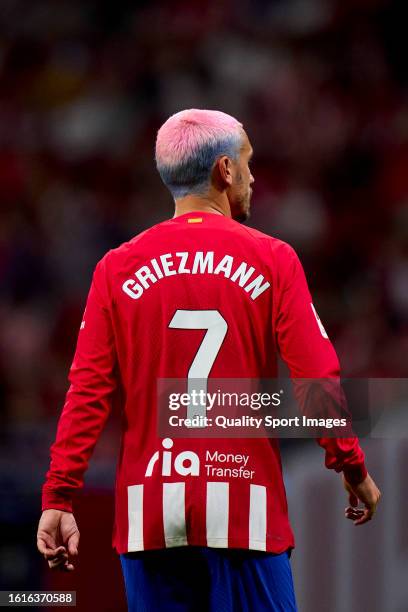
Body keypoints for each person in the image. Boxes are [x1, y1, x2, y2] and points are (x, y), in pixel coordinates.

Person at [37, 109, 381, 611]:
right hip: (245, 509)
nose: (252, 175)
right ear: (224, 170)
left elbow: (87, 391)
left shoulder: (116, 268)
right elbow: (314, 377)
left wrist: (58, 496)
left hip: (150, 515)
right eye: (247, 162)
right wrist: (351, 465)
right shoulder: (273, 258)